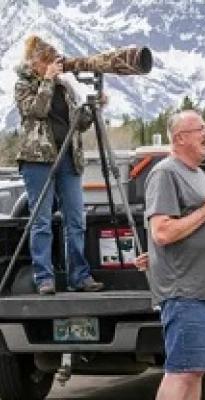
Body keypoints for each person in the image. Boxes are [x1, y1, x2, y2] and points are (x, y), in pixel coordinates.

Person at [144, 110, 205, 400]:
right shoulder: (166, 172)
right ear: (180, 138)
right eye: (200, 129)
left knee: (196, 370)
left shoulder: (195, 174)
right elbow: (163, 232)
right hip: (185, 291)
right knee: (181, 371)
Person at [15, 35, 104, 295]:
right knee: (41, 220)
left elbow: (80, 122)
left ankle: (80, 275)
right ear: (36, 64)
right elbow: (37, 110)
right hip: (37, 159)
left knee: (76, 217)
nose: (55, 66)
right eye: (49, 62)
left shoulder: (65, 87)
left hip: (67, 156)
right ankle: (45, 277)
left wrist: (94, 106)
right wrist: (47, 82)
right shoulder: (24, 85)